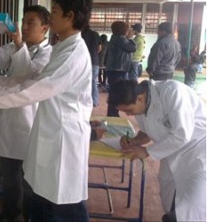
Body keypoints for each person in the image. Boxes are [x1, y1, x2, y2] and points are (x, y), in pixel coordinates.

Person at [0, 0, 93, 221]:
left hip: (62, 141)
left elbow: (33, 90)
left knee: (63, 208)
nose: (51, 19)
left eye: (54, 12)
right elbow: (27, 79)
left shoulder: (70, 54)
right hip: (49, 134)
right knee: (41, 200)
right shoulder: (64, 47)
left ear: (70, 16)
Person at [108, 79, 206, 222]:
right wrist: (135, 140)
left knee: (193, 206)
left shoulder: (172, 93)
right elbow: (147, 131)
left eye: (128, 110)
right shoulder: (141, 105)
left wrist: (147, 151)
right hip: (171, 153)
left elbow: (181, 134)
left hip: (198, 153)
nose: (128, 115)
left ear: (140, 99)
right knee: (169, 195)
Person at [0, 5, 52, 222]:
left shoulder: (48, 55)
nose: (24, 27)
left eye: (30, 23)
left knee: (25, 182)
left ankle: (23, 218)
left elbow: (27, 77)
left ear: (45, 28)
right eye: (23, 21)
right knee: (9, 179)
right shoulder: (16, 45)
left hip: (28, 126)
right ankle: (10, 217)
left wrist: (18, 45)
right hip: (8, 122)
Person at [105, 21, 136, 116]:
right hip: (118, 70)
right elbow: (132, 48)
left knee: (114, 91)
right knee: (116, 93)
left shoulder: (115, 38)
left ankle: (113, 113)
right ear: (123, 30)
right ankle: (112, 114)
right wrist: (130, 38)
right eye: (127, 29)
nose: (128, 31)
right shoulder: (120, 39)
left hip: (115, 69)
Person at [82, 26, 101, 107]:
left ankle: (84, 101)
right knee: (93, 82)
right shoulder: (95, 34)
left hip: (83, 61)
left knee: (83, 82)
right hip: (94, 61)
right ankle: (94, 101)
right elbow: (99, 48)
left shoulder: (80, 34)